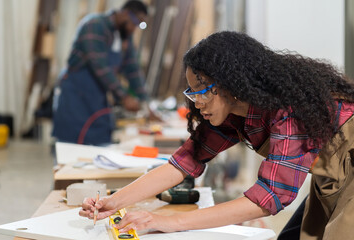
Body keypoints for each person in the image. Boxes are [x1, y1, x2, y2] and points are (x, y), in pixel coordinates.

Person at [79, 31, 354, 239]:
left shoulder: (288, 108)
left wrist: (162, 221)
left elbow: (270, 196)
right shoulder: (232, 111)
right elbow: (183, 163)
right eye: (191, 92)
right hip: (331, 179)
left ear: (230, 83)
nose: (197, 103)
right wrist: (113, 202)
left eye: (201, 91)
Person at [52, 0, 150, 145]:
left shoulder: (124, 36)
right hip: (76, 97)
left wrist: (145, 103)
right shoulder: (95, 25)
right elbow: (101, 67)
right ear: (125, 13)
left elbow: (132, 69)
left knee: (101, 139)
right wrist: (124, 97)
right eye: (136, 22)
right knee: (71, 147)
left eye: (140, 25)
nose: (134, 29)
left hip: (97, 97)